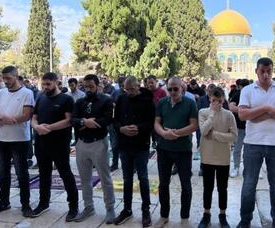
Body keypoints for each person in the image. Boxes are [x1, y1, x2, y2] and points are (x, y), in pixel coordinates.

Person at [237, 57, 275, 228]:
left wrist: (258, 116)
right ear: (256, 71)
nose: (265, 74)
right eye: (262, 71)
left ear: (272, 70)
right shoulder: (248, 90)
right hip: (252, 143)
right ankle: (245, 220)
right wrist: (267, 109)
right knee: (249, 184)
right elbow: (242, 115)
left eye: (269, 71)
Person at [30, 72, 79, 221]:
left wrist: (49, 127)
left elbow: (68, 120)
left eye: (48, 84)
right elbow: (33, 118)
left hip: (59, 143)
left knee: (66, 174)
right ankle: (43, 203)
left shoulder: (66, 99)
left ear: (56, 82)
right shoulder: (41, 97)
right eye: (43, 84)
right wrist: (37, 127)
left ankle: (73, 206)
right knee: (44, 174)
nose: (45, 87)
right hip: (41, 143)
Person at [0, 66, 34, 217]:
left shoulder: (27, 93)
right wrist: (3, 118)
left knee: (21, 173)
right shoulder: (0, 93)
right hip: (0, 138)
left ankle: (25, 204)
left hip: (19, 139)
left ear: (16, 76)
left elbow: (26, 115)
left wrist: (5, 119)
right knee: (2, 173)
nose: (5, 81)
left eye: (8, 78)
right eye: (4, 78)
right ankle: (4, 201)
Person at [153, 77, 198, 228]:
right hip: (164, 149)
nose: (172, 92)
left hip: (183, 150)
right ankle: (164, 215)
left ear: (182, 89)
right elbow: (157, 122)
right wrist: (164, 134)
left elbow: (194, 125)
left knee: (185, 185)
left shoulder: (190, 103)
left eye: (175, 89)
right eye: (170, 89)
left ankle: (184, 218)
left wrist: (176, 133)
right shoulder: (162, 103)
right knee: (163, 184)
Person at [72, 74, 115, 223]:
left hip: (99, 143)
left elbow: (107, 119)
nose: (88, 89)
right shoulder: (79, 102)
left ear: (97, 85)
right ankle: (88, 206)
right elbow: (73, 119)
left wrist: (91, 122)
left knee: (105, 178)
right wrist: (85, 121)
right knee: (85, 178)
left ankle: (110, 208)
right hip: (82, 143)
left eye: (91, 86)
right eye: (85, 86)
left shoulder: (106, 100)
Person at [113, 76, 155, 227]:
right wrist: (121, 129)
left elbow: (152, 122)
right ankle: (127, 209)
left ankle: (145, 209)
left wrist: (139, 128)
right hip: (124, 145)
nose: (129, 92)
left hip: (141, 145)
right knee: (127, 179)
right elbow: (115, 120)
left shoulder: (147, 100)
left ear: (138, 86)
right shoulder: (121, 100)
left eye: (132, 89)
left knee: (143, 178)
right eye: (126, 89)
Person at [197, 87, 237, 228]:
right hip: (207, 156)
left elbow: (234, 136)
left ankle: (222, 214)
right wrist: (213, 113)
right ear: (209, 99)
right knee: (207, 187)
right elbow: (203, 131)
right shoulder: (203, 112)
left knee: (222, 188)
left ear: (223, 100)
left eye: (219, 101)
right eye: (214, 101)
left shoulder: (229, 115)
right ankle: (206, 214)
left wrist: (215, 135)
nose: (217, 104)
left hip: (223, 157)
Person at [228, 79, 250, 178]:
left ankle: (249, 169)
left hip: (251, 126)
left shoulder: (252, 94)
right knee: (237, 149)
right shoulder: (237, 94)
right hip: (239, 127)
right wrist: (244, 112)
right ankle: (236, 167)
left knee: (250, 150)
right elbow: (231, 107)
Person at [146, 75, 167, 150]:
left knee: (158, 134)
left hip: (159, 118)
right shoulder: (145, 92)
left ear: (156, 82)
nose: (150, 84)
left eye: (152, 82)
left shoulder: (162, 92)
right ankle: (152, 142)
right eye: (149, 83)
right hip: (148, 117)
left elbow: (165, 105)